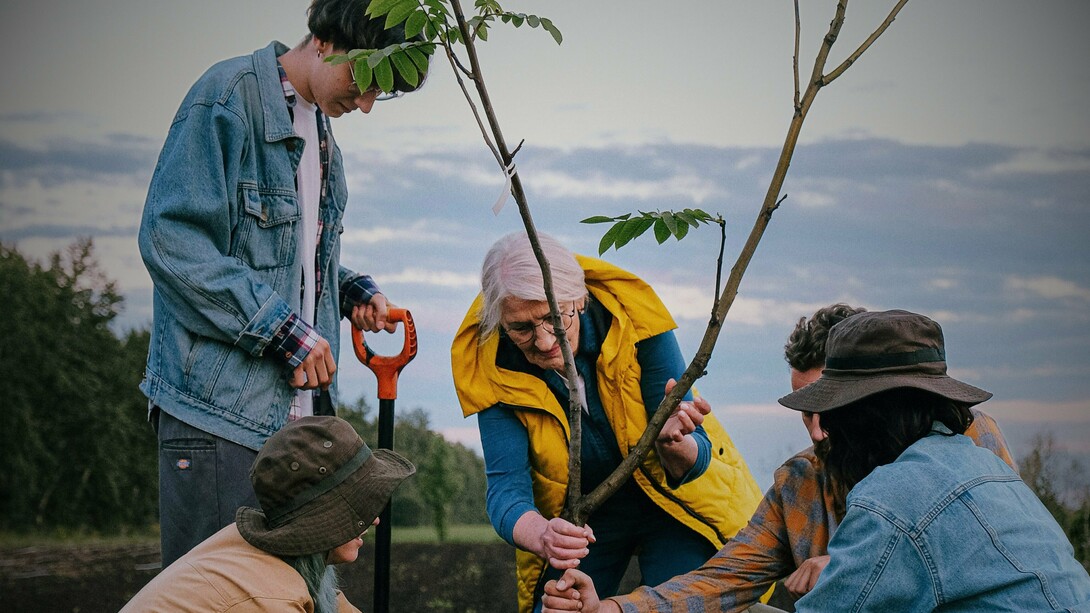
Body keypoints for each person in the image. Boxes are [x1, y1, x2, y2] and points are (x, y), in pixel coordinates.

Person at [546, 310, 1090, 612]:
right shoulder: (804, 479)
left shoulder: (931, 469)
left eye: (831, 410)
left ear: (869, 410)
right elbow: (723, 579)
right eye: (809, 411)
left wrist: (846, 565)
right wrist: (611, 609)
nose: (819, 429)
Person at [138, 0, 427, 566]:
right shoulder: (226, 99)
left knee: (294, 594)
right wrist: (283, 331)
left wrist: (348, 290)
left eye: (382, 92)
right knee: (221, 594)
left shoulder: (320, 130)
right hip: (220, 415)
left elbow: (285, 259)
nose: (367, 104)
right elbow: (172, 241)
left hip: (300, 421)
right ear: (324, 40)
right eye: (365, 80)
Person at [451, 231, 763, 613]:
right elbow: (505, 492)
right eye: (522, 328)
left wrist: (673, 443)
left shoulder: (635, 319)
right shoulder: (491, 368)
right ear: (501, 322)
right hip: (588, 519)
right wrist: (545, 535)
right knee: (557, 609)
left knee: (681, 605)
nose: (544, 341)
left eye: (554, 317)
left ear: (579, 299)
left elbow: (694, 459)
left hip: (676, 504)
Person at [121, 415, 416, 612]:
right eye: (358, 506)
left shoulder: (281, 560)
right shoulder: (270, 599)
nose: (374, 519)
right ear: (325, 519)